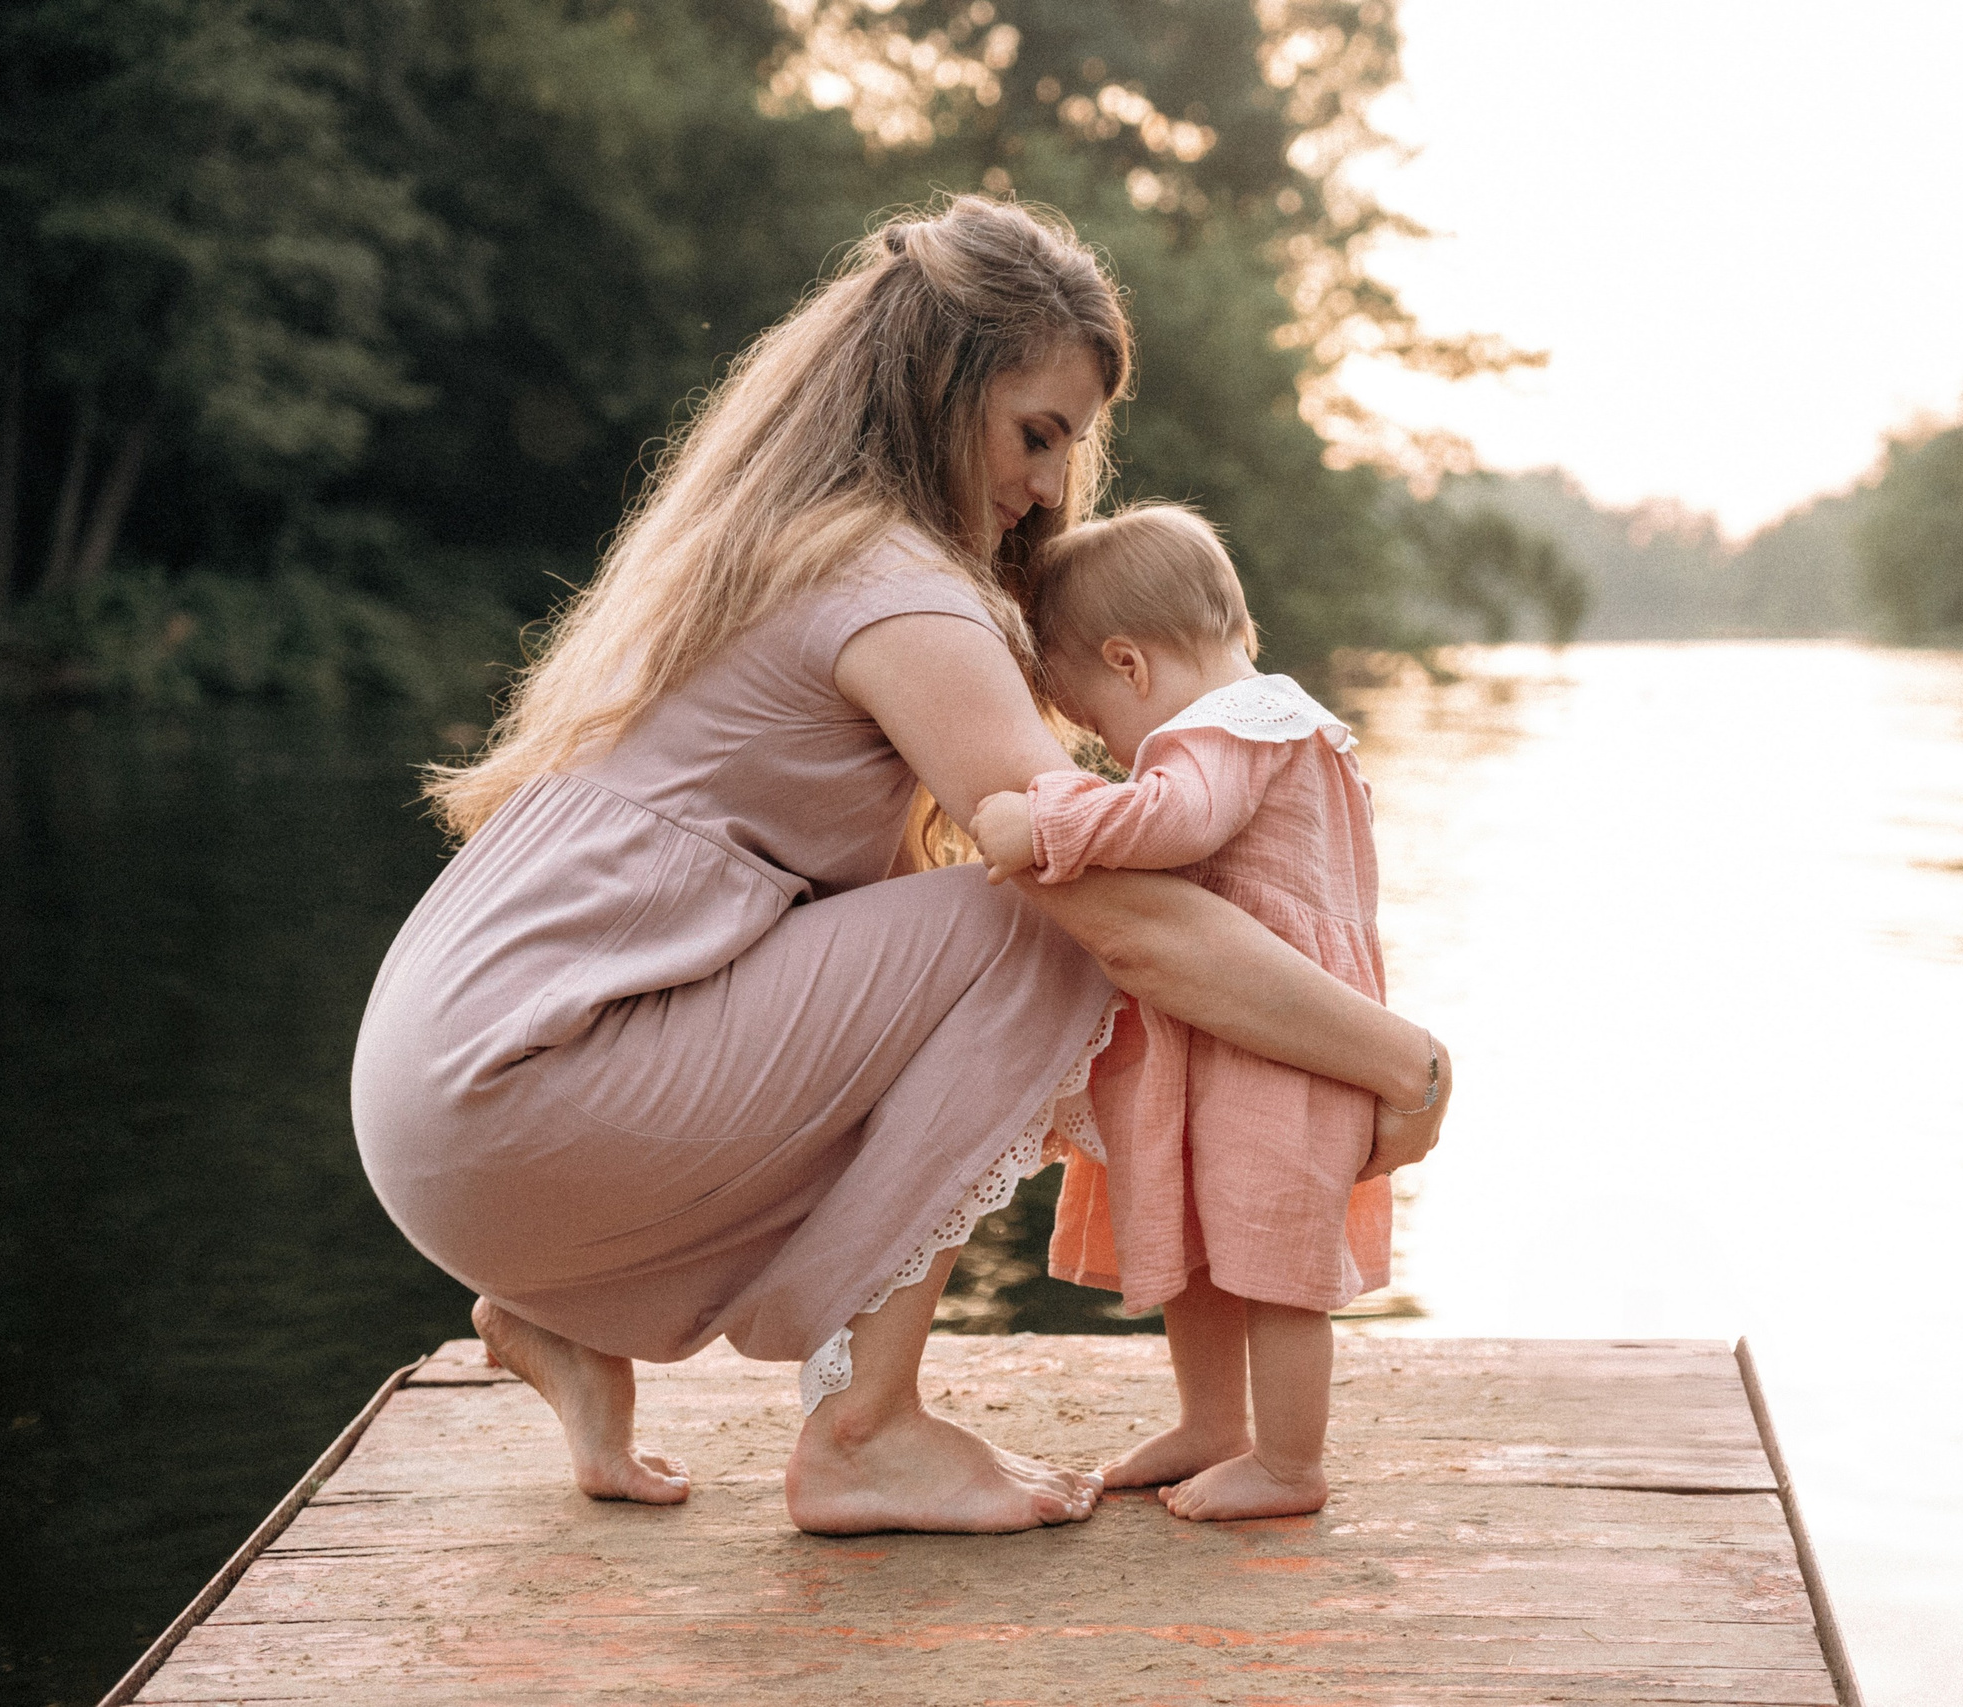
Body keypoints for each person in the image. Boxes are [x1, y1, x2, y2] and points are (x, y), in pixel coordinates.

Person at [349, 196, 1450, 1538]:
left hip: (451, 1090)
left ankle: (568, 1316)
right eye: (1036, 432)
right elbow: (1128, 924)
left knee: (944, 938)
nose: (1052, 487)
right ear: (942, 387)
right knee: (1040, 920)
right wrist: (1397, 1057)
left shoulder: (788, 543)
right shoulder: (899, 591)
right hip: (525, 1089)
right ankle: (866, 1430)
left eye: (1072, 447)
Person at [968, 504, 1403, 1521]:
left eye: (1095, 729)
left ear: (1128, 664)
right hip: (1244, 1030)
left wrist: (1044, 819)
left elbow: (1177, 820)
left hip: (1280, 1049)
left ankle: (1290, 1466)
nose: (1113, 755)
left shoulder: (1225, 726)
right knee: (1211, 1246)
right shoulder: (1283, 721)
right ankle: (1215, 1426)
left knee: (1277, 1263)